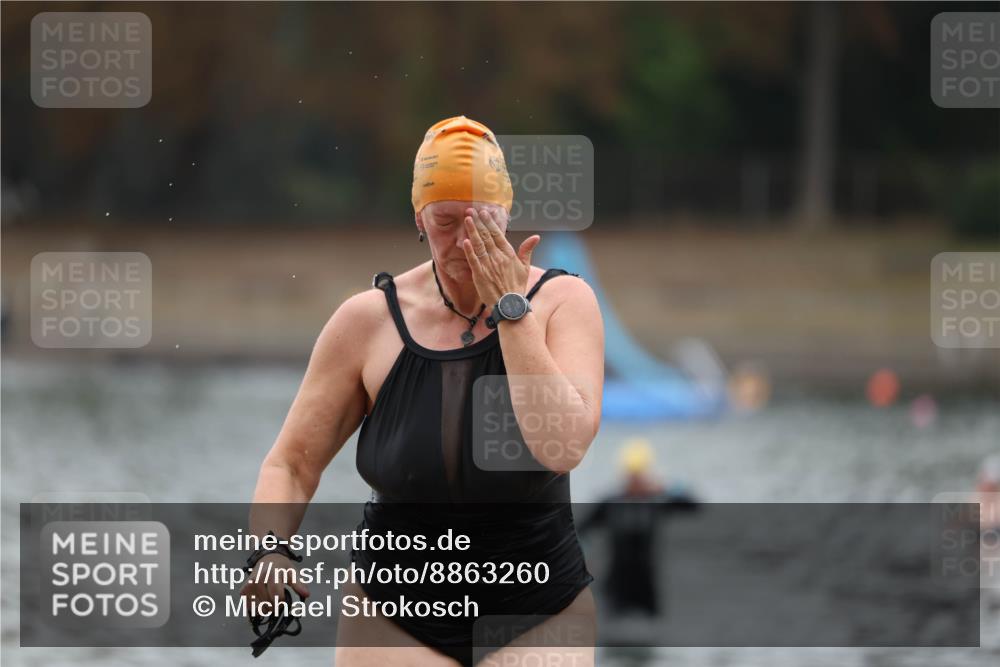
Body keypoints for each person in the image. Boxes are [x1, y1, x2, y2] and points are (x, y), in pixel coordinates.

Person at [241, 115, 605, 666]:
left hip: (537, 604)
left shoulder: (563, 303)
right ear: (418, 217)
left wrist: (513, 312)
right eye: (445, 219)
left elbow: (563, 446)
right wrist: (269, 550)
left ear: (506, 213)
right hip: (394, 612)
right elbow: (290, 464)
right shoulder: (366, 322)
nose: (462, 238)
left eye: (480, 219)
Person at [578, 438, 698, 618]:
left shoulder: (657, 500)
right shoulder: (611, 502)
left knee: (649, 628)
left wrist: (668, 486)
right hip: (617, 581)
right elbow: (581, 529)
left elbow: (693, 505)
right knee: (616, 628)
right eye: (631, 475)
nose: (635, 480)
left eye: (639, 475)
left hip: (647, 581)